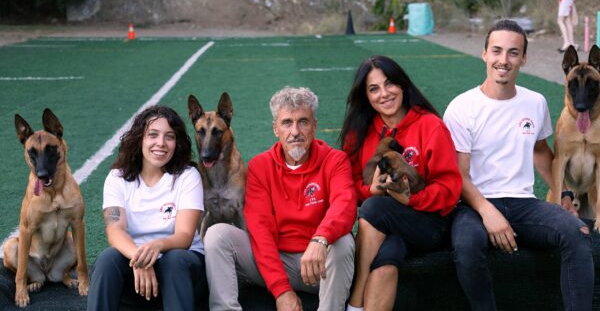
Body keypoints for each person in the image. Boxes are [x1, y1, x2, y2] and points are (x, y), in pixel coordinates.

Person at [443, 19, 594, 311]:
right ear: (484, 54)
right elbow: (458, 176)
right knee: (466, 246)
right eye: (497, 51)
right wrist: (488, 213)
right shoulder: (461, 107)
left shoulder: (535, 102)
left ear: (523, 59)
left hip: (524, 203)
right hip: (474, 205)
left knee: (577, 234)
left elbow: (540, 152)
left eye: (513, 52)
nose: (504, 60)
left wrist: (563, 195)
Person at [204, 86, 357, 311]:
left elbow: (344, 205)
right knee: (218, 235)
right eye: (287, 123)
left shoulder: (335, 160)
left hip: (320, 264)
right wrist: (282, 290)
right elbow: (260, 229)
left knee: (343, 243)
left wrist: (320, 239)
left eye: (303, 122)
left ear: (314, 126)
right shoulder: (260, 166)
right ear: (276, 128)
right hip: (277, 261)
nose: (295, 131)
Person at [341, 55, 462, 311]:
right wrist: (370, 189)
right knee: (386, 259)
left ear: (403, 86)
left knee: (373, 208)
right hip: (386, 228)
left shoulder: (431, 126)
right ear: (366, 96)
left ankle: (354, 301)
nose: (384, 94)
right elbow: (348, 186)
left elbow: (449, 190)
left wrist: (411, 198)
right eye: (374, 89)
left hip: (429, 222)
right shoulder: (359, 131)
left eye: (389, 84)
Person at [87, 105, 206, 311]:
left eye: (169, 136)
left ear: (176, 143)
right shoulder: (117, 178)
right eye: (153, 135)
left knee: (174, 260)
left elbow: (185, 236)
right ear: (139, 138)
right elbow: (115, 231)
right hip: (136, 269)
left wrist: (156, 247)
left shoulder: (187, 176)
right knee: (108, 259)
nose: (161, 143)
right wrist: (139, 260)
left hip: (182, 270)